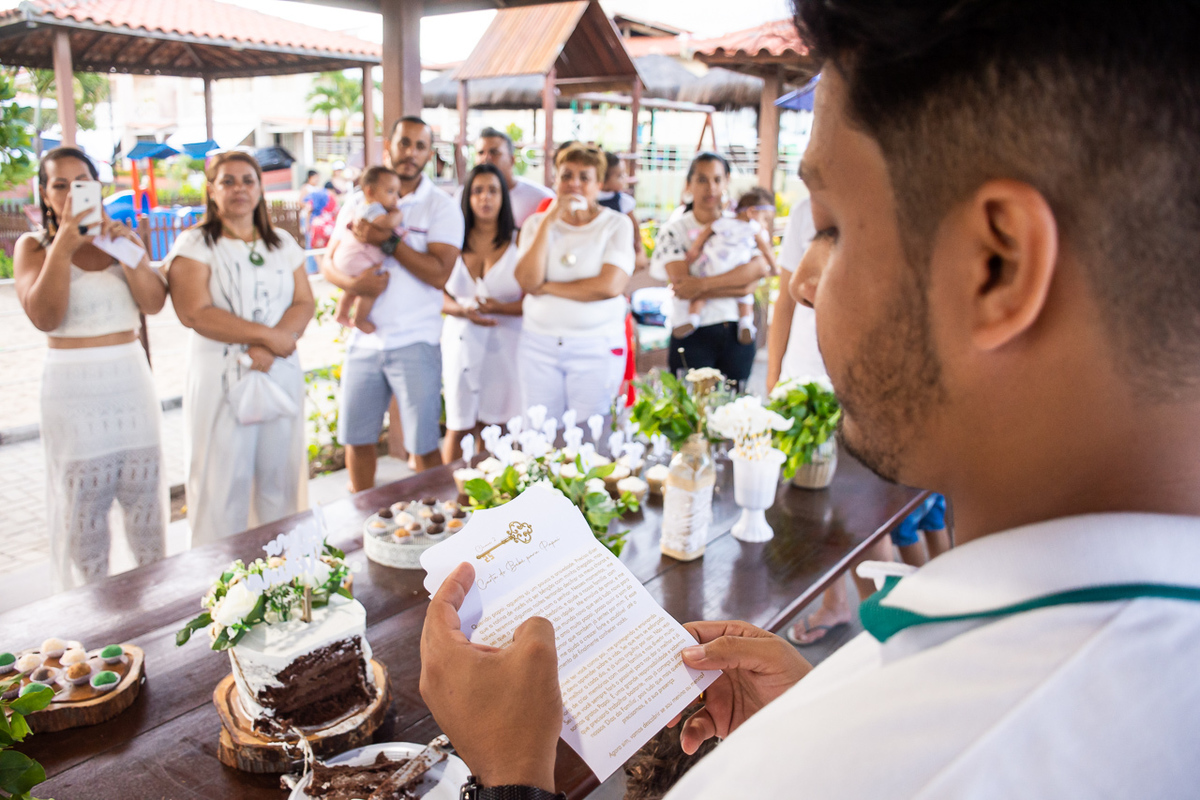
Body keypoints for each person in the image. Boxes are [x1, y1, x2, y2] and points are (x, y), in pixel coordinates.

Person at [418, 2, 1200, 797]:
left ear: (994, 265)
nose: (803, 281)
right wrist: (810, 708)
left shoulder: (903, 765)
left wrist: (513, 775)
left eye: (829, 228)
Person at [13, 146, 169, 590]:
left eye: (80, 182)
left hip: (129, 379)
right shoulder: (34, 247)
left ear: (96, 187)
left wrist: (125, 251)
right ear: (45, 193)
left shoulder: (122, 239)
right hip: (72, 387)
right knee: (85, 509)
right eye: (59, 184)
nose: (70, 192)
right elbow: (45, 316)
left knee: (144, 499)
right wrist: (65, 243)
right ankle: (93, 607)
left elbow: (154, 303)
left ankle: (153, 595)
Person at [166, 150, 314, 545]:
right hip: (221, 376)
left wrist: (271, 346)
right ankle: (220, 574)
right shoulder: (196, 243)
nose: (239, 189)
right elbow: (194, 311)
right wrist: (267, 337)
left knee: (279, 479)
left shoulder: (281, 243)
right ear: (211, 190)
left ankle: (282, 566)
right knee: (221, 483)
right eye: (227, 181)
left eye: (248, 180)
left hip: (278, 371)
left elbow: (304, 302)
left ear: (260, 188)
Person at [322, 117, 463, 486]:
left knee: (424, 446)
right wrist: (356, 284)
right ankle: (362, 515)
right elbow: (327, 262)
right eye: (404, 143)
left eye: (420, 146)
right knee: (357, 440)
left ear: (429, 154)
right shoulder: (359, 200)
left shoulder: (440, 207)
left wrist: (386, 241)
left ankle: (433, 516)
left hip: (416, 339)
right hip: (364, 341)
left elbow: (439, 274)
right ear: (389, 146)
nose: (410, 153)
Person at [513, 143, 635, 422]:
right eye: (566, 176)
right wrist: (549, 222)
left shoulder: (616, 224)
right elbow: (527, 280)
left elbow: (608, 286)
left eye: (584, 177)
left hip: (596, 347)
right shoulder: (535, 224)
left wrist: (546, 287)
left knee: (592, 431)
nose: (574, 184)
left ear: (599, 184)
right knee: (539, 429)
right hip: (538, 346)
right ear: (555, 180)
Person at [650, 153, 770, 385]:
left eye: (717, 179)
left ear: (727, 182)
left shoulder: (741, 225)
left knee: (735, 403)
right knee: (690, 404)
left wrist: (702, 285)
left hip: (737, 333)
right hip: (691, 335)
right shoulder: (674, 231)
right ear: (689, 184)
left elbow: (755, 275)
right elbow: (683, 287)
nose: (711, 187)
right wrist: (738, 285)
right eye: (702, 180)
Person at [441, 163, 524, 463]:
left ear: (504, 197)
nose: (485, 198)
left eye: (492, 190)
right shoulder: (451, 238)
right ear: (467, 197)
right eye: (477, 191)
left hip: (508, 343)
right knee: (458, 424)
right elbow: (431, 291)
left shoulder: (520, 240)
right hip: (460, 340)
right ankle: (452, 489)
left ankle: (497, 488)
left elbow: (538, 298)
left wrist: (500, 307)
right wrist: (461, 309)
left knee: (499, 427)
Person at [672, 187, 776, 345]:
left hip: (714, 264)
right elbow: (766, 249)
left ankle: (692, 319)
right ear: (751, 212)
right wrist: (774, 268)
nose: (765, 225)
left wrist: (695, 248)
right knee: (745, 298)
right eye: (765, 219)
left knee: (700, 294)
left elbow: (707, 231)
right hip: (738, 268)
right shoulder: (753, 228)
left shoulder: (724, 221)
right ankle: (746, 323)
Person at [329, 165, 402, 333]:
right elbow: (386, 224)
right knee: (370, 287)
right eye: (390, 192)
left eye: (397, 192)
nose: (395, 198)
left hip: (349, 257)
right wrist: (397, 215)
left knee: (354, 287)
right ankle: (360, 319)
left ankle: (341, 313)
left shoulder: (363, 206)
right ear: (370, 191)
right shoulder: (373, 208)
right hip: (357, 257)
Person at [766, 193, 825, 389]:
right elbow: (786, 300)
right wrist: (773, 375)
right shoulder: (803, 210)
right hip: (799, 370)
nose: (803, 288)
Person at [457, 127, 554, 228]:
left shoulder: (540, 197)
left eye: (494, 152)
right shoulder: (462, 195)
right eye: (481, 153)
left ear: (512, 160)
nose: (486, 158)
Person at [598, 150, 648, 270]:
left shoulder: (623, 201)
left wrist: (637, 243)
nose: (624, 178)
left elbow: (634, 225)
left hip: (618, 245)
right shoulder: (591, 199)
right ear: (603, 180)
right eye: (620, 176)